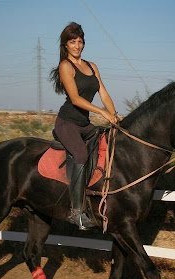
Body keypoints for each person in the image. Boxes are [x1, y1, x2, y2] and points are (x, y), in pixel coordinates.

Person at [50, 22, 118, 230]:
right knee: (80, 155)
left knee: (107, 144)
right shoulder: (65, 66)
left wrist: (114, 115)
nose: (77, 46)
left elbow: (103, 93)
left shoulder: (92, 66)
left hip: (84, 124)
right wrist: (102, 112)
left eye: (80, 41)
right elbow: (76, 99)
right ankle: (76, 212)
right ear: (65, 45)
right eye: (73, 42)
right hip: (67, 123)